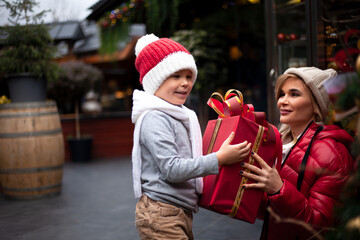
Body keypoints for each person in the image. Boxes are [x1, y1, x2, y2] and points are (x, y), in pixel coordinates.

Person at [131, 33, 252, 240]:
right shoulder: (155, 117)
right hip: (162, 212)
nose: (185, 83)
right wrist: (220, 158)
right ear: (154, 80)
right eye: (176, 76)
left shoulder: (178, 115)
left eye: (189, 76)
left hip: (176, 210)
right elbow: (172, 169)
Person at [240, 67, 354, 240]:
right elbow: (274, 213)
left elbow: (320, 228)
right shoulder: (283, 143)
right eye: (282, 94)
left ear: (316, 105)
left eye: (294, 94)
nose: (282, 101)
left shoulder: (331, 154)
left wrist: (278, 189)